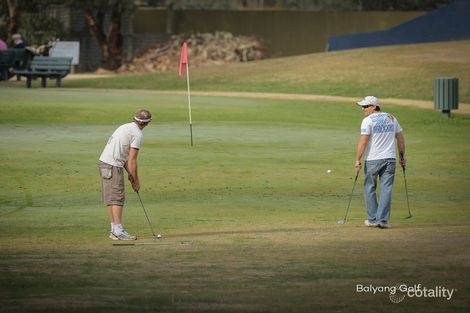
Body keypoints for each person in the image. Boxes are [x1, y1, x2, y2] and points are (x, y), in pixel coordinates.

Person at [99, 109, 153, 240]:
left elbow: (123, 155)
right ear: (147, 123)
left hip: (104, 163)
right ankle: (119, 231)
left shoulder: (124, 126)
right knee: (117, 198)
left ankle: (114, 230)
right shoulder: (138, 134)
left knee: (111, 198)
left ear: (135, 119)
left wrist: (130, 174)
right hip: (114, 165)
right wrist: (136, 181)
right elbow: (132, 160)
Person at [354, 96, 405, 229]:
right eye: (362, 107)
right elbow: (400, 139)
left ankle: (373, 219)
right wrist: (402, 156)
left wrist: (357, 159)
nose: (363, 109)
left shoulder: (367, 120)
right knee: (386, 189)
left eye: (365, 107)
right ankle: (382, 220)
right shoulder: (391, 118)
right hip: (390, 159)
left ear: (374, 106)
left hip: (373, 160)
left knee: (369, 188)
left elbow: (363, 141)